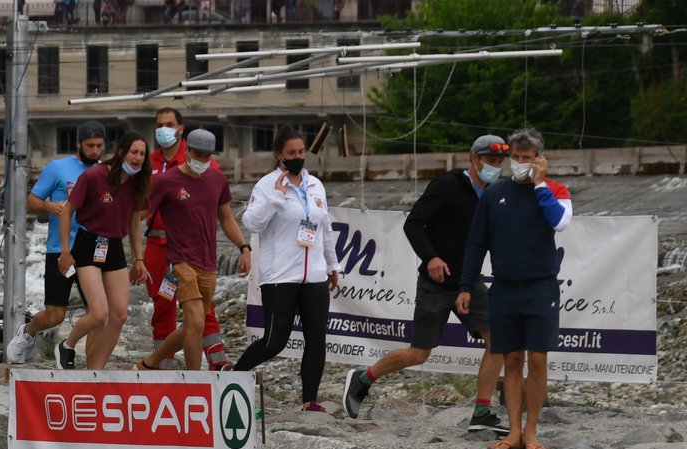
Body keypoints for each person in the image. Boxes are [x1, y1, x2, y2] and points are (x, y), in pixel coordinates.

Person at [342, 133, 510, 433]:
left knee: (497, 339)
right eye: (490, 161)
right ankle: (363, 379)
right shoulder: (448, 186)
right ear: (474, 159)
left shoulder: (496, 194)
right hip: (437, 283)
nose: (495, 167)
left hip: (469, 283)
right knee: (419, 354)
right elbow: (414, 223)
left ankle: (482, 411)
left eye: (500, 163)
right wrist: (431, 257)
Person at [457, 127, 571, 449]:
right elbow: (477, 243)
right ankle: (514, 431)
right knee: (510, 359)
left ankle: (532, 430)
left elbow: (560, 222)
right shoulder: (494, 194)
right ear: (510, 158)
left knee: (537, 359)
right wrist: (465, 285)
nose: (521, 163)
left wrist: (539, 185)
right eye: (516, 158)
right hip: (504, 288)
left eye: (528, 158)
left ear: (540, 159)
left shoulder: (555, 191)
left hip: (540, 288)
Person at [233, 126, 339, 411]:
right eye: (291, 153)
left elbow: (324, 228)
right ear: (279, 154)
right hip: (280, 277)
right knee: (273, 341)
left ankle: (309, 401)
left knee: (316, 339)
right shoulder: (267, 186)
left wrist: (332, 264)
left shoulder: (315, 185)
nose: (297, 157)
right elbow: (252, 223)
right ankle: (231, 378)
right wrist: (276, 198)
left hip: (314, 275)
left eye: (301, 152)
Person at [138, 129, 251, 371]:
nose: (201, 160)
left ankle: (150, 363)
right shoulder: (166, 182)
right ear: (187, 151)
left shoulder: (217, 179)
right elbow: (136, 215)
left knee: (193, 324)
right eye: (197, 154)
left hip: (208, 263)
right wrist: (137, 257)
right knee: (197, 321)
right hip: (179, 261)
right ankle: (195, 380)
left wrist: (244, 247)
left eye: (206, 155)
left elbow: (227, 217)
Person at [5, 121, 106, 364]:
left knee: (98, 314)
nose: (94, 151)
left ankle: (91, 366)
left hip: (93, 250)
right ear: (78, 144)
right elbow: (30, 202)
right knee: (55, 314)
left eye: (99, 146)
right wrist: (49, 205)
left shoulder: (105, 172)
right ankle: (28, 332)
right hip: (60, 249)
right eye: (90, 145)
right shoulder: (58, 168)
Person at [56, 132, 150, 371]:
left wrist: (139, 259)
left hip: (114, 247)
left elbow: (134, 221)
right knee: (99, 313)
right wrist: (65, 252)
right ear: (121, 152)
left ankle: (95, 372)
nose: (138, 157)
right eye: (134, 152)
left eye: (142, 153)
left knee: (119, 315)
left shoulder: (138, 182)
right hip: (87, 245)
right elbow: (67, 211)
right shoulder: (95, 175)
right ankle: (66, 345)